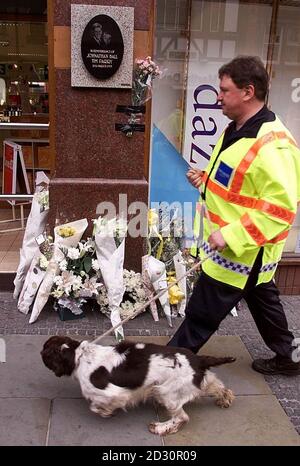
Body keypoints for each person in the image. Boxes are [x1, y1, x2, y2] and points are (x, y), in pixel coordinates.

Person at [167, 56, 300, 376]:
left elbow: (281, 209)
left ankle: (163, 368)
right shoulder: (237, 129)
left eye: (224, 90)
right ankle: (288, 355)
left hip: (239, 253)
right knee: (264, 302)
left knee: (201, 314)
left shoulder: (273, 145)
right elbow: (239, 184)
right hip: (242, 253)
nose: (218, 96)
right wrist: (205, 180)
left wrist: (231, 235)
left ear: (248, 92)